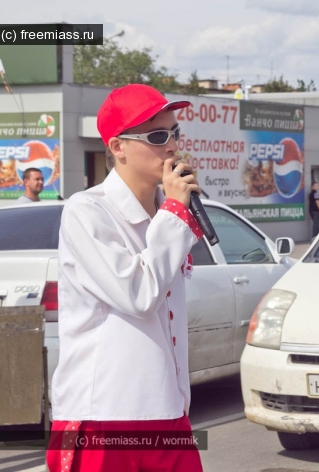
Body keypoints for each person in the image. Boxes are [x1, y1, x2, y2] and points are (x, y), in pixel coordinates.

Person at [46, 84, 204, 471]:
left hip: (167, 409)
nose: (171, 147)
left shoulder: (163, 213)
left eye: (174, 133)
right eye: (156, 136)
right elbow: (138, 294)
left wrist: (170, 215)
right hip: (104, 414)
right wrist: (173, 215)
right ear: (118, 147)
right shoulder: (87, 211)